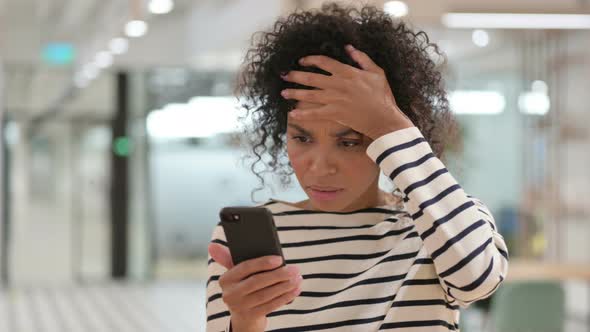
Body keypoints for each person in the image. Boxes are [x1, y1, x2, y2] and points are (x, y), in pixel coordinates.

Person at [206, 3, 509, 331]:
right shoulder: (243, 241)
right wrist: (246, 321)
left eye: (349, 142)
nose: (320, 168)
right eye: (302, 138)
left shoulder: (438, 225)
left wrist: (390, 121)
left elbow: (478, 280)